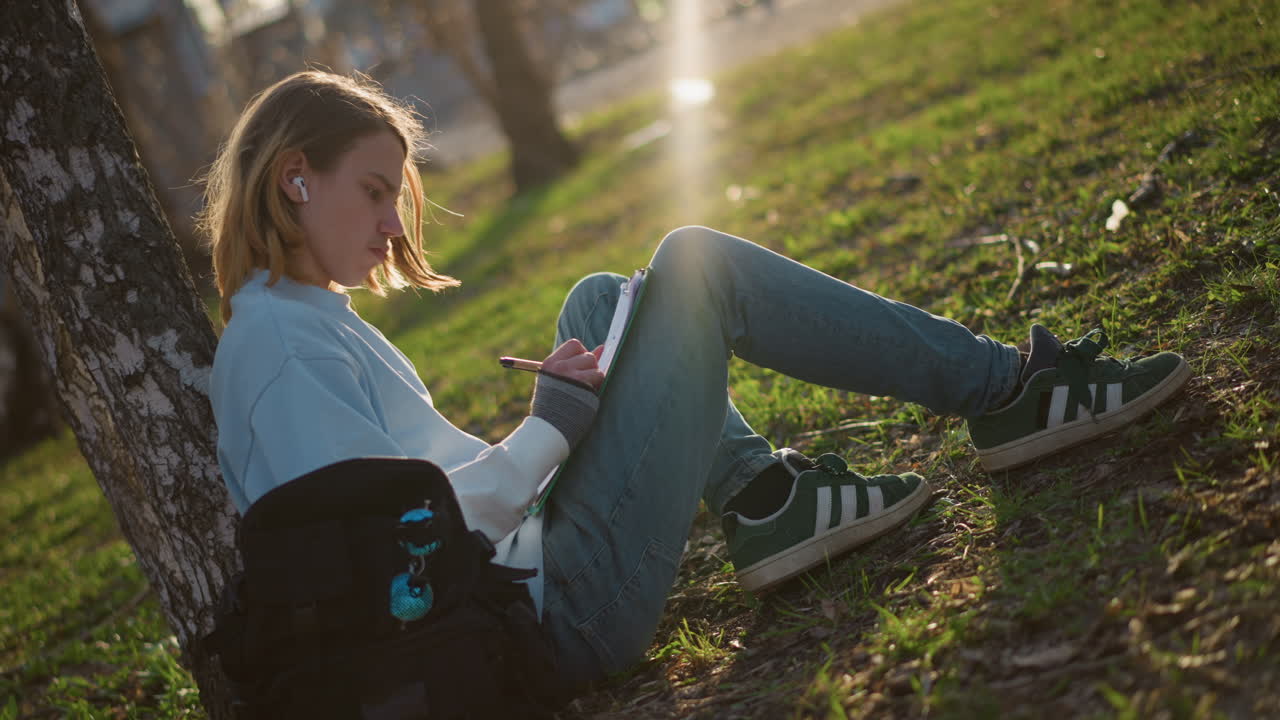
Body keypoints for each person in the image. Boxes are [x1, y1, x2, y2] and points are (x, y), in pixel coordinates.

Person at [204, 71, 1189, 696]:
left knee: (600, 302)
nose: (393, 225)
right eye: (375, 191)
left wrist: (549, 429)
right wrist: (546, 433)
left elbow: (401, 503)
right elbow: (398, 562)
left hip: (532, 578)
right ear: (296, 178)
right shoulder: (282, 354)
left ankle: (765, 502)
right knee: (694, 265)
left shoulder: (303, 324)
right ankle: (1007, 390)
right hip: (549, 621)